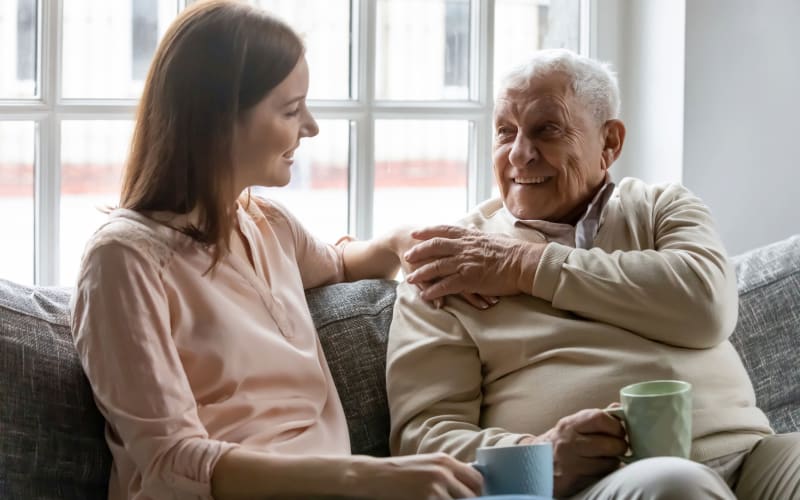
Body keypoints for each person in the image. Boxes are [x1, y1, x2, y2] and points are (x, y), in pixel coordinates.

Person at [70, 1, 483, 498]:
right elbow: (170, 459)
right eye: (291, 110)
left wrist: (400, 241)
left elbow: (339, 263)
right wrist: (366, 475)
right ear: (219, 119)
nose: (310, 127)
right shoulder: (123, 260)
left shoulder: (268, 225)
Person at [386, 49, 800, 499]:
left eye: (546, 130)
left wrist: (524, 266)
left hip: (753, 456)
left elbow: (707, 307)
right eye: (505, 132)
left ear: (609, 143)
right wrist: (537, 458)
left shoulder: (663, 208)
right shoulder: (453, 261)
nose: (519, 154)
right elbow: (424, 440)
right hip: (605, 484)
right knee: (675, 483)